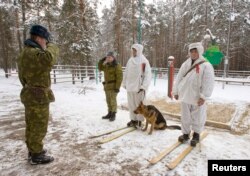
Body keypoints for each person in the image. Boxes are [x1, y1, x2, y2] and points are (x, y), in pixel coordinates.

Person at [17, 24, 59, 164]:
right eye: (45, 40)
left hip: (32, 94)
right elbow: (48, 59)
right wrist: (53, 46)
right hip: (37, 96)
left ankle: (33, 150)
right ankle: (36, 155)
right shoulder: (32, 53)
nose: (46, 43)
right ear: (39, 38)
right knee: (38, 125)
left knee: (32, 124)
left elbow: (22, 76)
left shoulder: (27, 52)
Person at [172, 42, 214, 147]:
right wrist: (176, 91)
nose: (193, 53)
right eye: (192, 51)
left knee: (198, 116)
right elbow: (179, 78)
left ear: (200, 52)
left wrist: (203, 96)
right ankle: (185, 134)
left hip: (197, 97)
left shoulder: (206, 65)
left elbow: (208, 81)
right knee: (185, 116)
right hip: (185, 95)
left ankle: (196, 135)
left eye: (195, 51)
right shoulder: (185, 64)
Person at [123, 44, 152, 127]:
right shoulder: (130, 60)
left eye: (135, 50)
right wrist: (124, 83)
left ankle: (139, 121)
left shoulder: (144, 61)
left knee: (139, 106)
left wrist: (144, 86)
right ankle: (133, 120)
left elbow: (148, 75)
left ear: (139, 51)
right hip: (130, 87)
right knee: (131, 104)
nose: (133, 52)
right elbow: (126, 72)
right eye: (132, 50)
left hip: (139, 88)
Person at [98, 51, 123, 121]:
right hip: (107, 86)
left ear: (113, 58)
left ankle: (113, 114)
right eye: (107, 57)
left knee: (113, 101)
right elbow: (99, 68)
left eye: (110, 57)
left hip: (113, 86)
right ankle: (109, 113)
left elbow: (120, 77)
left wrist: (117, 87)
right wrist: (102, 60)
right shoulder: (106, 65)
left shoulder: (117, 66)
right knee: (108, 101)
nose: (108, 58)